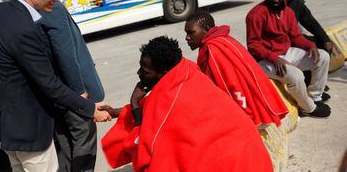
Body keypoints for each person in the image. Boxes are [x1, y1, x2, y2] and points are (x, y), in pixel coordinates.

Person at [0, 0, 110, 172]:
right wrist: (88, 109)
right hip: (26, 127)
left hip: (4, 125)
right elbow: (48, 82)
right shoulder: (25, 28)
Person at [100, 36, 273, 172]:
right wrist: (117, 111)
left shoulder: (169, 99)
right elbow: (152, 106)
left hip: (233, 163)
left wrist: (134, 103)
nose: (139, 73)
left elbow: (144, 149)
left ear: (164, 72)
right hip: (252, 157)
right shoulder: (186, 71)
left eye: (145, 71)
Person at [37, 0, 104, 172]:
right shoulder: (53, 8)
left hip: (59, 96)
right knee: (83, 148)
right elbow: (65, 54)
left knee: (67, 151)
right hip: (72, 98)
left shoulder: (45, 8)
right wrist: (79, 94)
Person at [184, 10, 288, 128]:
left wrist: (243, 116)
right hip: (258, 103)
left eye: (191, 32)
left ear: (207, 29)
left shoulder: (213, 49)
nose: (187, 38)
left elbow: (228, 85)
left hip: (246, 113)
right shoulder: (223, 39)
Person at [246, 0, 331, 118]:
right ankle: (308, 108)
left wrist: (310, 46)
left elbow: (296, 37)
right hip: (264, 60)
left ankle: (315, 97)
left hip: (285, 53)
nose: (275, 0)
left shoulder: (288, 13)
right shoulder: (256, 15)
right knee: (296, 76)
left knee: (323, 57)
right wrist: (273, 58)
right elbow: (253, 45)